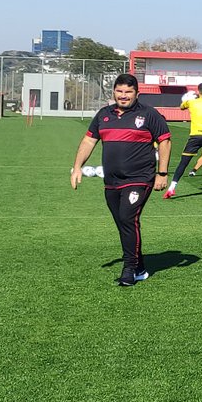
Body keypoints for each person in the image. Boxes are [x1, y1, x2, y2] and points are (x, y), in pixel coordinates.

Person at [70, 73, 171, 286]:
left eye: (128, 92)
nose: (123, 95)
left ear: (137, 94)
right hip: (112, 180)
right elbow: (89, 141)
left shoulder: (149, 114)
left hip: (139, 178)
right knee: (124, 224)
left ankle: (129, 269)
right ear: (114, 91)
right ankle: (140, 267)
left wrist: (162, 173)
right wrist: (77, 167)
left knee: (127, 217)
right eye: (119, 91)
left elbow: (165, 141)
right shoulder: (104, 114)